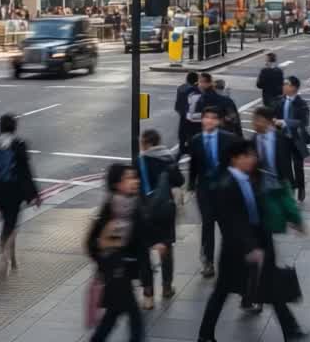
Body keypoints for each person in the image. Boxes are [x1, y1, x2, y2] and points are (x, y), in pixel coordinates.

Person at [196, 139, 305, 342]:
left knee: (270, 287)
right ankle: (204, 335)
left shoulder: (248, 178)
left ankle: (291, 330)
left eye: (253, 155)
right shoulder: (227, 185)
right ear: (235, 159)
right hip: (236, 250)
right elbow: (233, 222)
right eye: (247, 156)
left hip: (257, 244)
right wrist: (251, 247)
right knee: (221, 292)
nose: (252, 159)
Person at [85, 164, 146, 342]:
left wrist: (158, 242)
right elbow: (91, 243)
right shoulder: (110, 208)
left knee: (112, 316)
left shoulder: (133, 205)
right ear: (117, 184)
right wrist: (106, 264)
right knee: (134, 316)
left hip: (124, 271)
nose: (135, 181)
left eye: (135, 177)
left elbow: (142, 237)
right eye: (129, 178)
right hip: (115, 273)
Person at [0, 113, 40, 272]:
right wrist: (34, 194)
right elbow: (26, 171)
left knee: (7, 221)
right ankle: (3, 250)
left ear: (0, 127)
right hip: (14, 190)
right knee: (12, 223)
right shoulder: (19, 144)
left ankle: (13, 260)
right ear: (14, 127)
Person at [186, 106, 236, 278]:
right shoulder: (195, 140)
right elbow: (193, 165)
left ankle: (230, 260)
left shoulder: (229, 139)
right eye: (206, 117)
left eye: (213, 118)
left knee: (226, 226)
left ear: (219, 121)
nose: (209, 121)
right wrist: (190, 186)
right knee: (207, 224)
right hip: (204, 189)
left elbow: (235, 164)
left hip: (224, 189)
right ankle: (208, 262)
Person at [137, 129, 183, 306]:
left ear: (147, 143)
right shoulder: (168, 158)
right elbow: (179, 181)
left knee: (144, 252)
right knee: (166, 248)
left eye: (142, 142)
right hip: (165, 210)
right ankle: (166, 287)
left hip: (145, 211)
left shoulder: (141, 161)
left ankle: (148, 294)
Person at [275, 75, 310, 202]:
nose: (283, 86)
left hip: (297, 138)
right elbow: (274, 115)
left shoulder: (302, 103)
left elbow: (303, 122)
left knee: (298, 165)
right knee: (286, 166)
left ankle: (301, 186)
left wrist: (285, 122)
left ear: (294, 87)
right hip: (283, 138)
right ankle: (291, 187)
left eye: (286, 84)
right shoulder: (280, 101)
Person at [174, 71, 201, 153]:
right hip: (194, 118)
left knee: (182, 138)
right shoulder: (197, 90)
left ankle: (180, 153)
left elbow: (177, 105)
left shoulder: (180, 88)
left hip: (183, 116)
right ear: (196, 81)